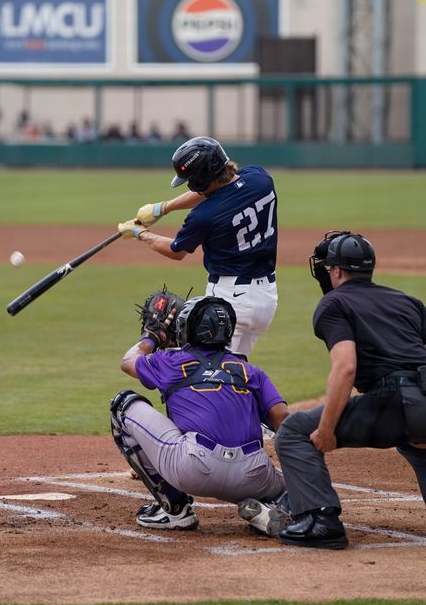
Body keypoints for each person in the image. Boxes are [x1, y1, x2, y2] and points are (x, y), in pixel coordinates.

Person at [274, 231, 426, 550]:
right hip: (415, 399)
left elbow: (345, 368)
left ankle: (320, 521)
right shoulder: (408, 301)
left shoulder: (334, 302)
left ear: (337, 271)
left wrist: (326, 430)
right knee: (416, 443)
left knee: (295, 431)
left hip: (398, 400)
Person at [110, 292, 291, 533]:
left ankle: (175, 509)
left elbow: (128, 361)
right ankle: (275, 507)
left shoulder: (170, 361)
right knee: (289, 489)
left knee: (122, 404)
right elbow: (282, 418)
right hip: (254, 475)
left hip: (194, 469)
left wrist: (151, 337)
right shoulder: (250, 371)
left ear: (186, 329)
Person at [116, 136, 278, 357]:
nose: (191, 184)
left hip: (231, 301)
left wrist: (140, 233)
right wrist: (163, 208)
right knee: (237, 370)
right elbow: (220, 191)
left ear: (201, 180)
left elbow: (176, 251)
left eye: (191, 179)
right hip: (265, 300)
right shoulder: (260, 179)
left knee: (208, 374)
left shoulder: (204, 216)